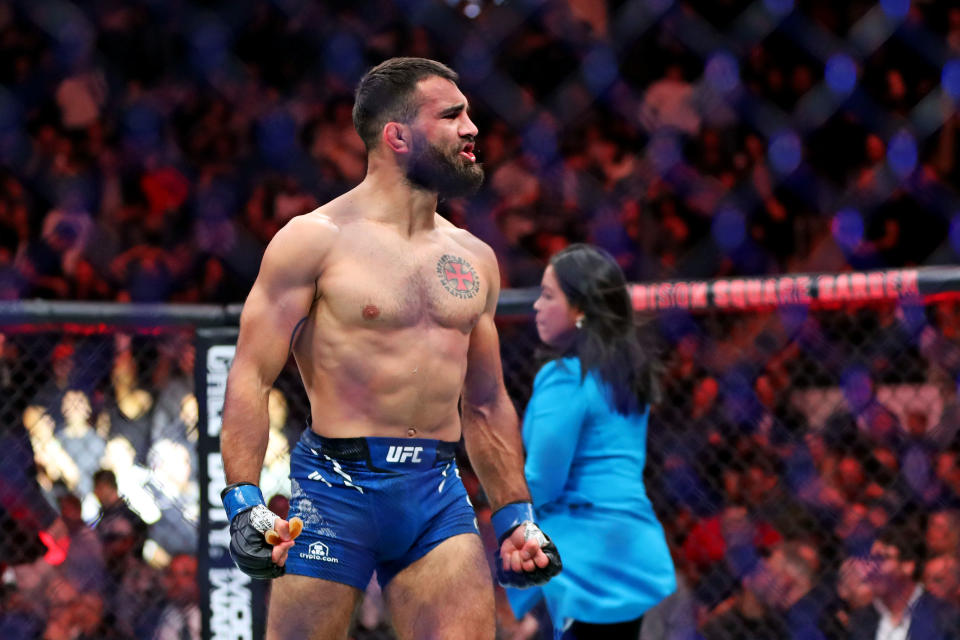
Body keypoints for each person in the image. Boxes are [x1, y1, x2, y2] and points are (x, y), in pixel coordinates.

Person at [218, 57, 561, 640]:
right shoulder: (314, 241)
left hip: (435, 490)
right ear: (396, 136)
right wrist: (244, 503)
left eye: (469, 113)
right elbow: (251, 374)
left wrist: (516, 516)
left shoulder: (474, 257)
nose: (472, 127)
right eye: (451, 115)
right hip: (332, 487)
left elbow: (485, 401)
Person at [505, 244, 676, 639]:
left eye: (548, 296)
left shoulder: (565, 377)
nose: (536, 307)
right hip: (631, 547)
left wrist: (500, 514)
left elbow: (544, 480)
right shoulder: (626, 375)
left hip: (583, 555)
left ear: (580, 309)